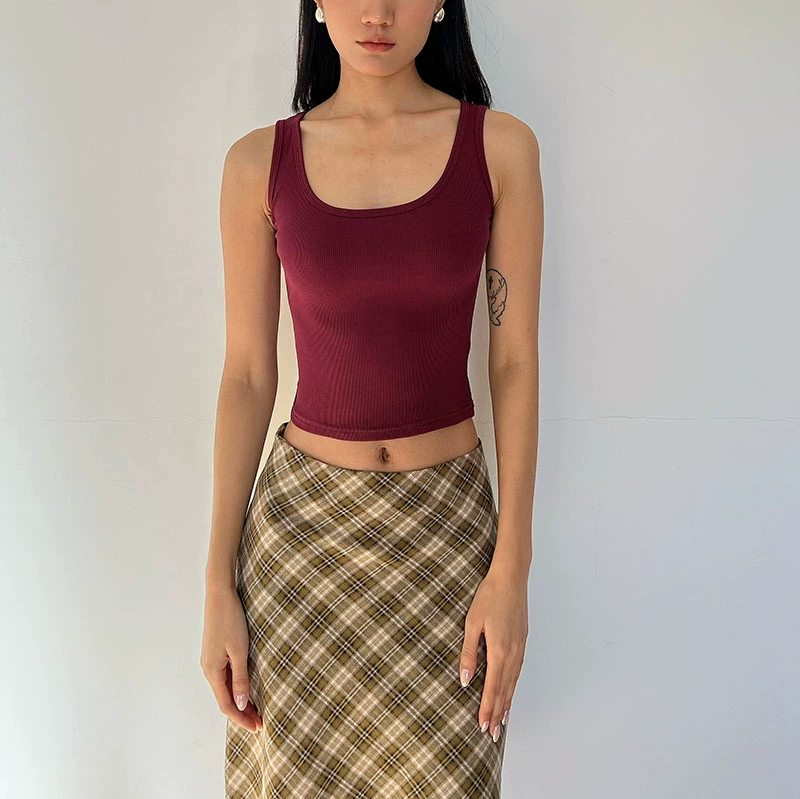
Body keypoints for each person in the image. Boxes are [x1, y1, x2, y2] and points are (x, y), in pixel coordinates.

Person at [201, 0, 543, 795]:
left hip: (446, 539)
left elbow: (516, 361)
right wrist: (217, 583)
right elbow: (247, 375)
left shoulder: (500, 148)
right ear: (317, 4)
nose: (378, 11)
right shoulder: (259, 163)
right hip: (301, 552)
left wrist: (513, 568)